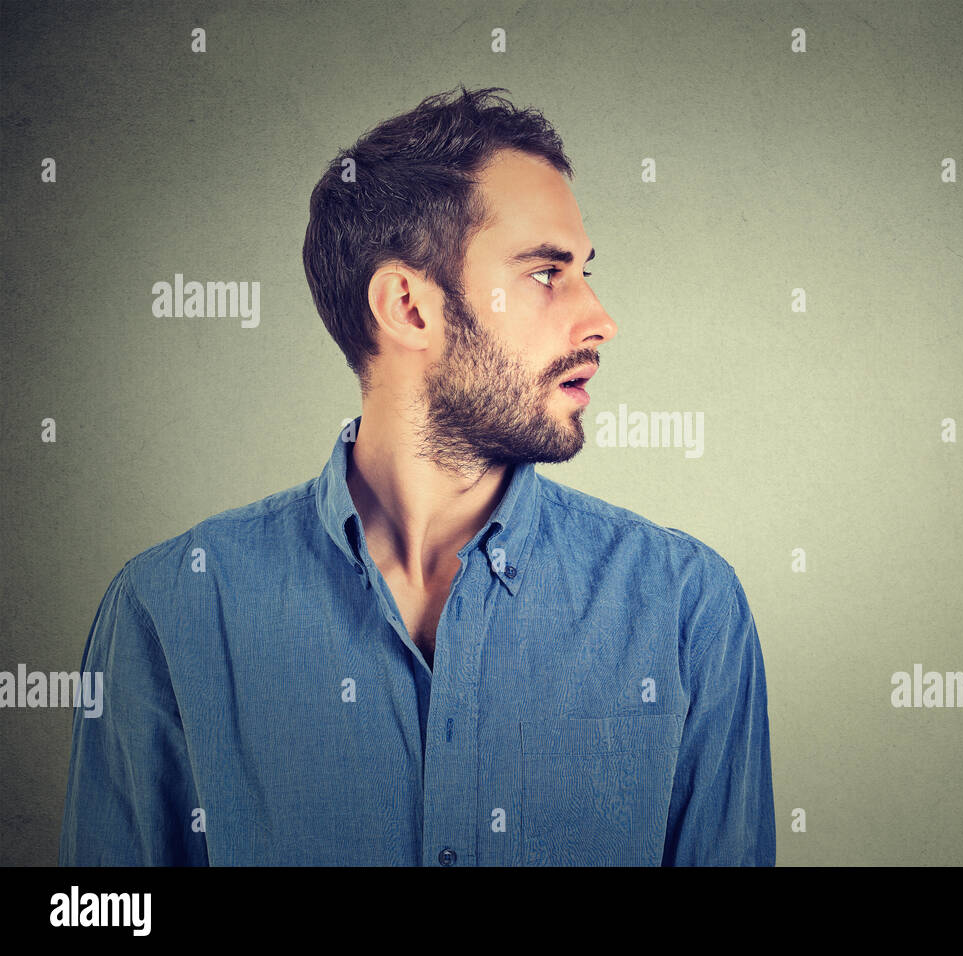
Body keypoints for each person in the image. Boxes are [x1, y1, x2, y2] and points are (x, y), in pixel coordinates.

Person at [59, 86, 775, 866]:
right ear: (408, 305)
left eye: (584, 272)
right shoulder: (172, 609)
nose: (600, 318)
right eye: (546, 273)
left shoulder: (686, 609)